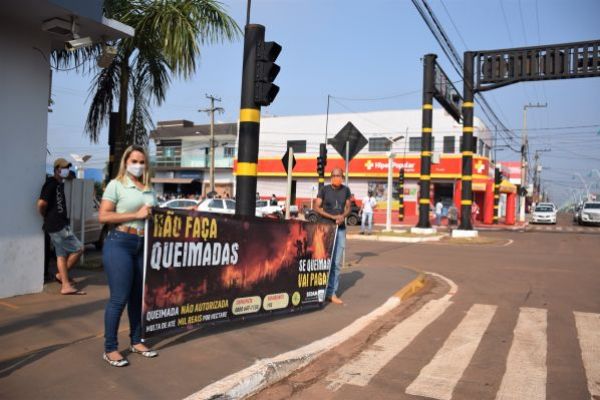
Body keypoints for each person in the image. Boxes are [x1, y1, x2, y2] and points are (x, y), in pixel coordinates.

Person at [98, 145, 158, 367]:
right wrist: (136, 214)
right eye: (134, 161)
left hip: (142, 244)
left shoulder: (148, 188)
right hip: (119, 243)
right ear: (126, 162)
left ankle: (136, 340)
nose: (138, 165)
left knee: (137, 297)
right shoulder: (117, 185)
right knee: (119, 297)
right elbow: (103, 216)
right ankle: (110, 348)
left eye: (142, 161)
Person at [37, 158, 85, 295]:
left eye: (67, 168)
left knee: (61, 255)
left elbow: (71, 177)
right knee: (79, 248)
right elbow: (41, 204)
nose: (66, 170)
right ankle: (62, 280)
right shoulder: (51, 183)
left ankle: (64, 283)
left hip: (59, 223)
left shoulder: (60, 184)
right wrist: (46, 216)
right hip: (57, 225)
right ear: (57, 169)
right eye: (63, 168)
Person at [314, 168, 351, 305]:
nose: (337, 177)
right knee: (323, 261)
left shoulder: (346, 190)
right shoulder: (324, 190)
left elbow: (349, 207)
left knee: (336, 263)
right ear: (331, 177)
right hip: (325, 229)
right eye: (335, 175)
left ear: (342, 177)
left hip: (340, 229)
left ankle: (331, 292)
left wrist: (343, 216)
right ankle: (319, 291)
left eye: (339, 175)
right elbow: (316, 207)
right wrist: (332, 216)